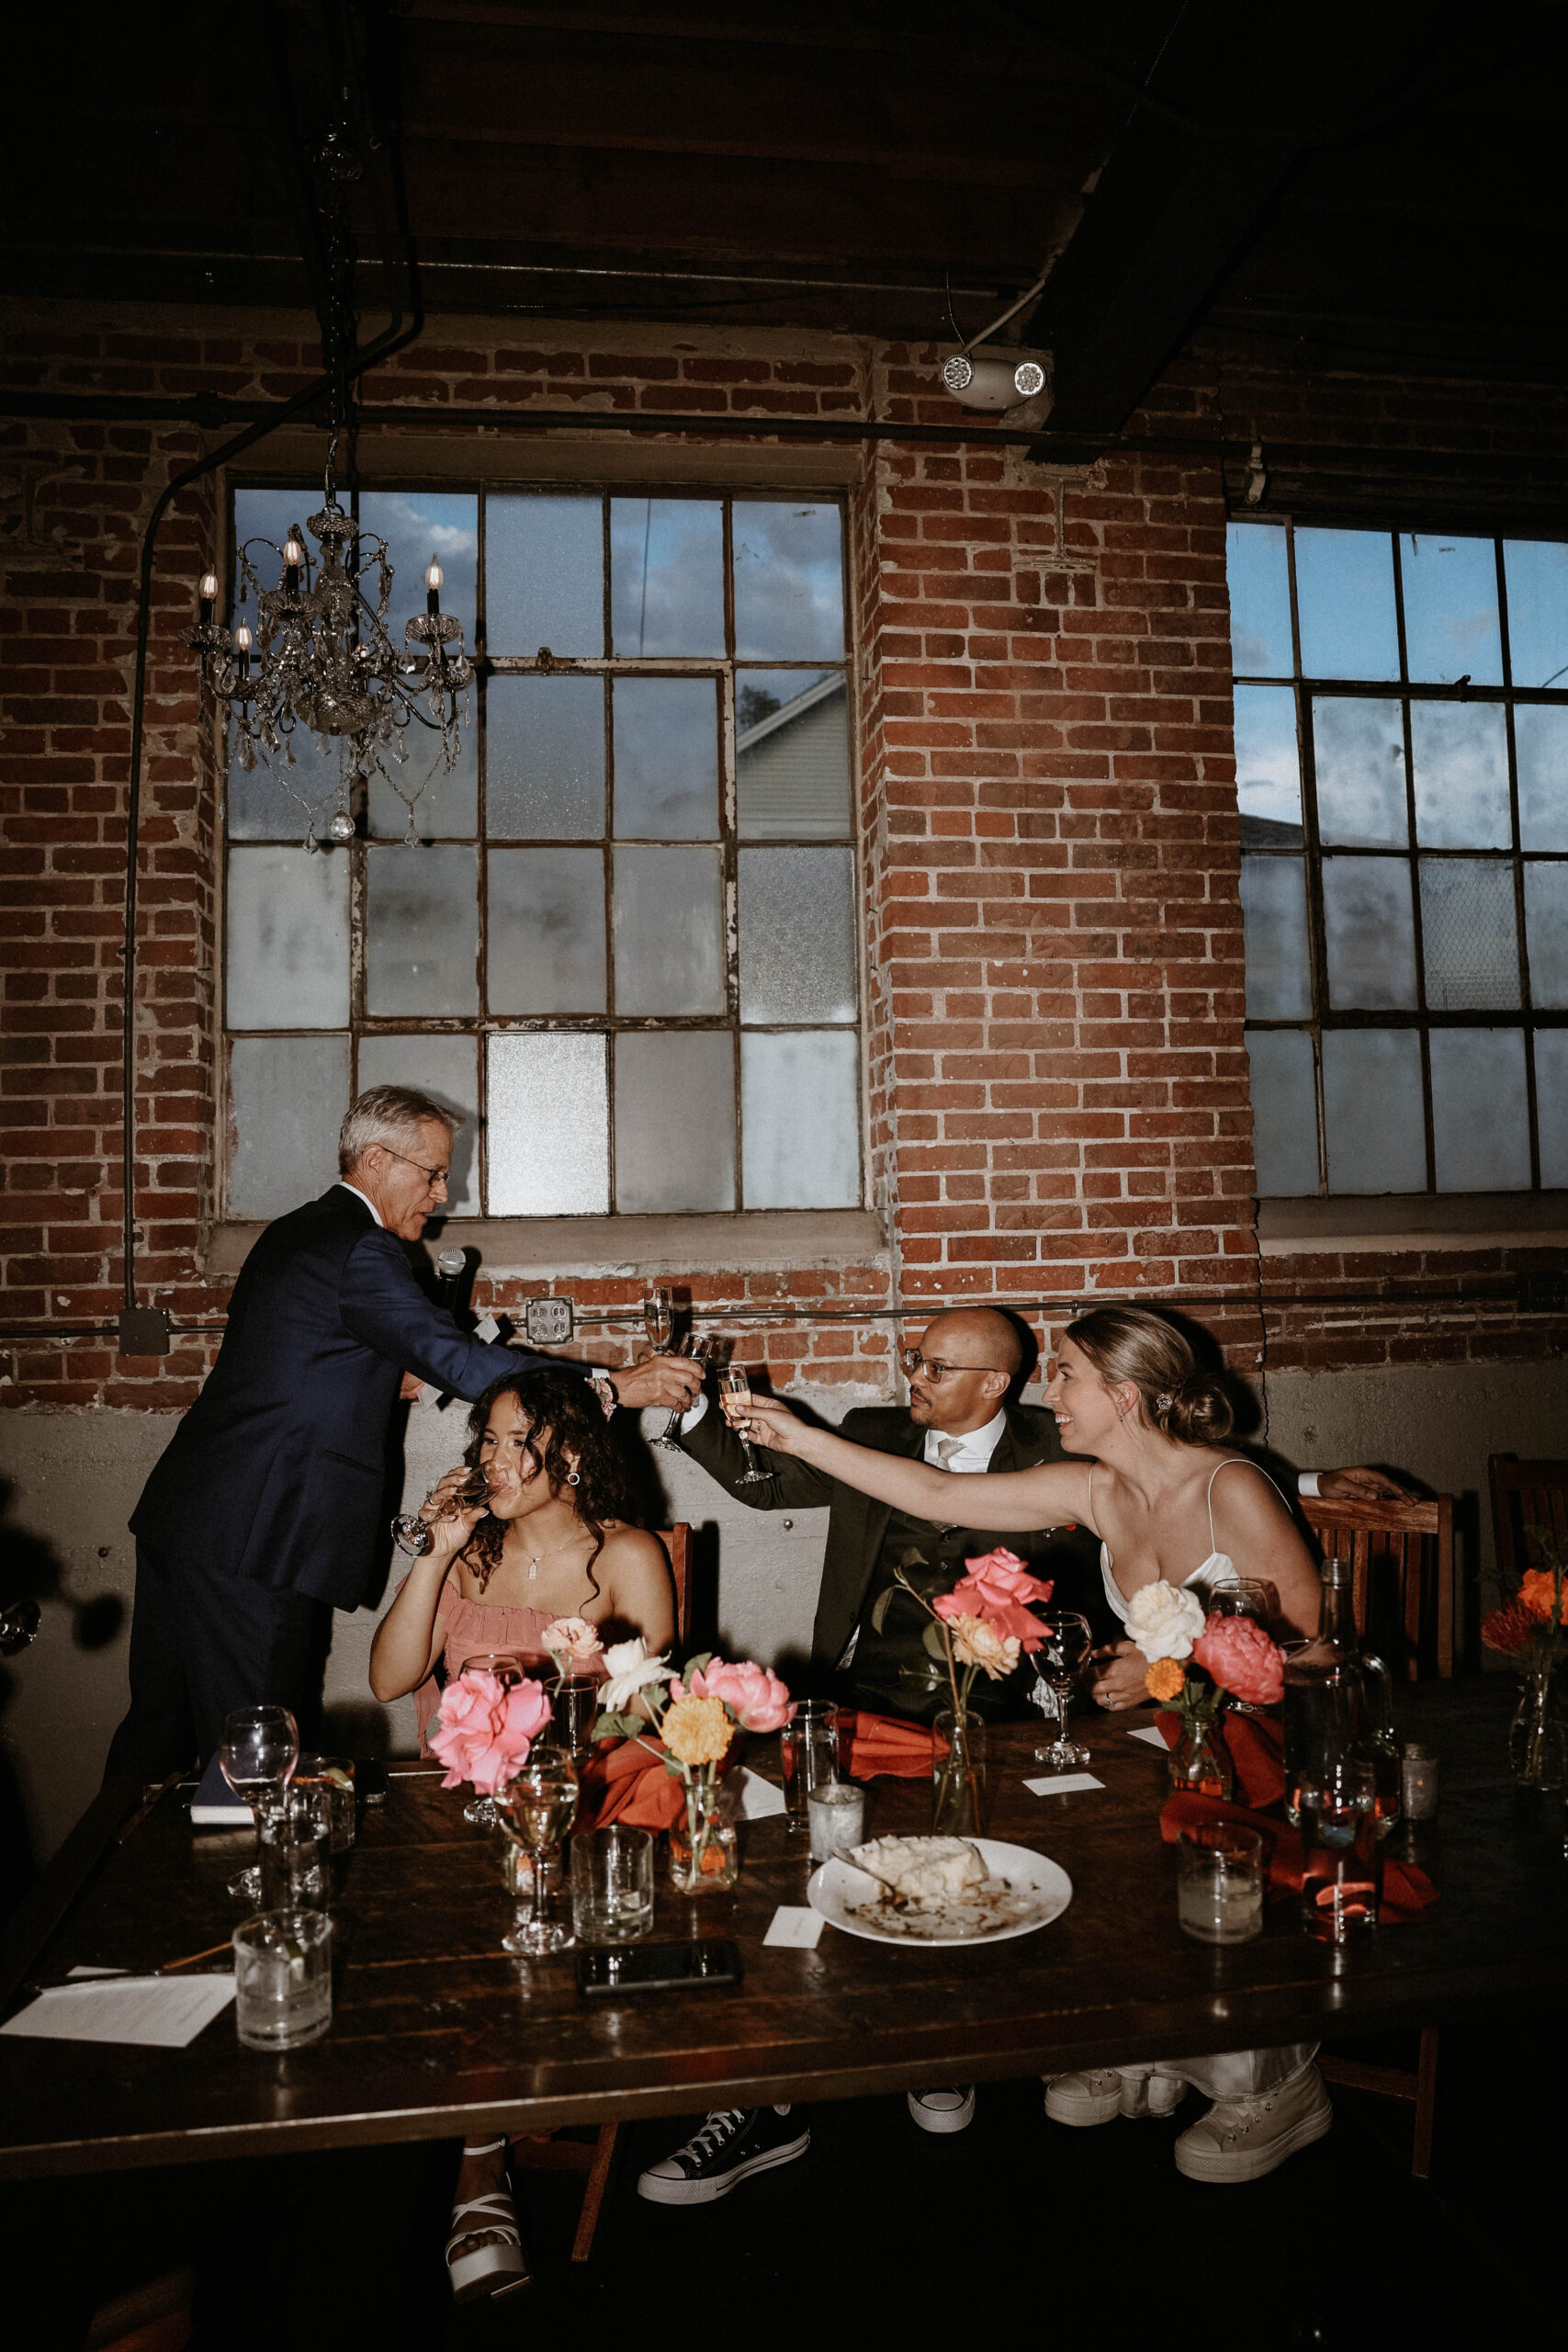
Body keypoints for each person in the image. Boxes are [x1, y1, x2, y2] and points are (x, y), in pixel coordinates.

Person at [641, 1306, 1405, 2178]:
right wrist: (798, 1437)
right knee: (1080, 1821)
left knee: (1119, 1822)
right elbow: (932, 1493)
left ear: (1122, 1397)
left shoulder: (1228, 1485)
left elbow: (1311, 1642)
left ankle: (1272, 2083)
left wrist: (1175, 1667)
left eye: (1068, 1375)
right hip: (1157, 1736)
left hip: (1265, 1746)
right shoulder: (1094, 1487)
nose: (1054, 1391)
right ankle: (1145, 2047)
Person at [107, 1085, 700, 1781]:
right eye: (432, 1173)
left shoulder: (298, 1230)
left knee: (156, 1743)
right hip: (257, 1537)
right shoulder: (363, 1247)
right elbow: (462, 1362)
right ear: (376, 1159)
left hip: (192, 1516)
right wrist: (611, 1387)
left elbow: (295, 1366)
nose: (443, 1193)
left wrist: (381, 1377)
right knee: (260, 1753)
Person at [371, 1365, 677, 2305]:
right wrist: (432, 1551)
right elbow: (388, 1681)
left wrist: (579, 1686)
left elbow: (651, 1715)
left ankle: (478, 2168)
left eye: (518, 1443)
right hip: (458, 1805)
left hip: (576, 1801)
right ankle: (479, 2138)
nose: (494, 1462)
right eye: (487, 1443)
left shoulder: (624, 1555)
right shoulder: (467, 1554)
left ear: (572, 1454)